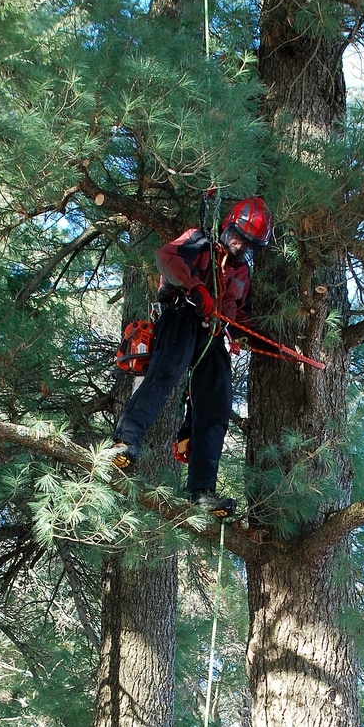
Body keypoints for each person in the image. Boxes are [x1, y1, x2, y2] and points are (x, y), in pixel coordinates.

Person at [105, 197, 273, 516]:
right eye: (238, 234)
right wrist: (197, 288)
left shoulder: (242, 273)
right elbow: (166, 257)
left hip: (213, 335)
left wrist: (262, 339)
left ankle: (202, 490)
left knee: (216, 405)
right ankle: (124, 442)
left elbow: (242, 318)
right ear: (228, 225)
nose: (240, 244)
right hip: (181, 317)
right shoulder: (199, 242)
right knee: (162, 378)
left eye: (248, 242)